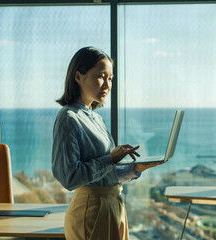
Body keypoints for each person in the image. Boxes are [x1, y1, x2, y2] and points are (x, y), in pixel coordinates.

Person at [52, 46, 161, 240]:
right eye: (101, 76)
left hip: (112, 205)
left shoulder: (95, 118)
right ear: (78, 76)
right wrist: (110, 159)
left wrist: (135, 169)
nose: (107, 84)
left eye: (110, 78)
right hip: (91, 212)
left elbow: (106, 176)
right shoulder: (68, 118)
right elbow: (69, 178)